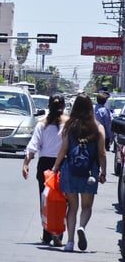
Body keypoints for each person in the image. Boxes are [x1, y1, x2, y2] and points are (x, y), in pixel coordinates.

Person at [51, 93, 107, 252]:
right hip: (89, 171)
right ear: (91, 108)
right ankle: (81, 227)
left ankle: (69, 242)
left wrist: (55, 168)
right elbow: (102, 153)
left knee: (72, 207)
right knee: (87, 207)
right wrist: (103, 172)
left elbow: (63, 149)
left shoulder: (69, 126)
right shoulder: (98, 127)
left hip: (70, 169)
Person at [22, 94, 68, 247]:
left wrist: (26, 164)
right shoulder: (69, 124)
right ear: (63, 107)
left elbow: (33, 146)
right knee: (63, 200)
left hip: (45, 165)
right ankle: (59, 232)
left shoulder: (42, 124)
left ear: (48, 106)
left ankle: (47, 234)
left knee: (45, 199)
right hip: (63, 164)